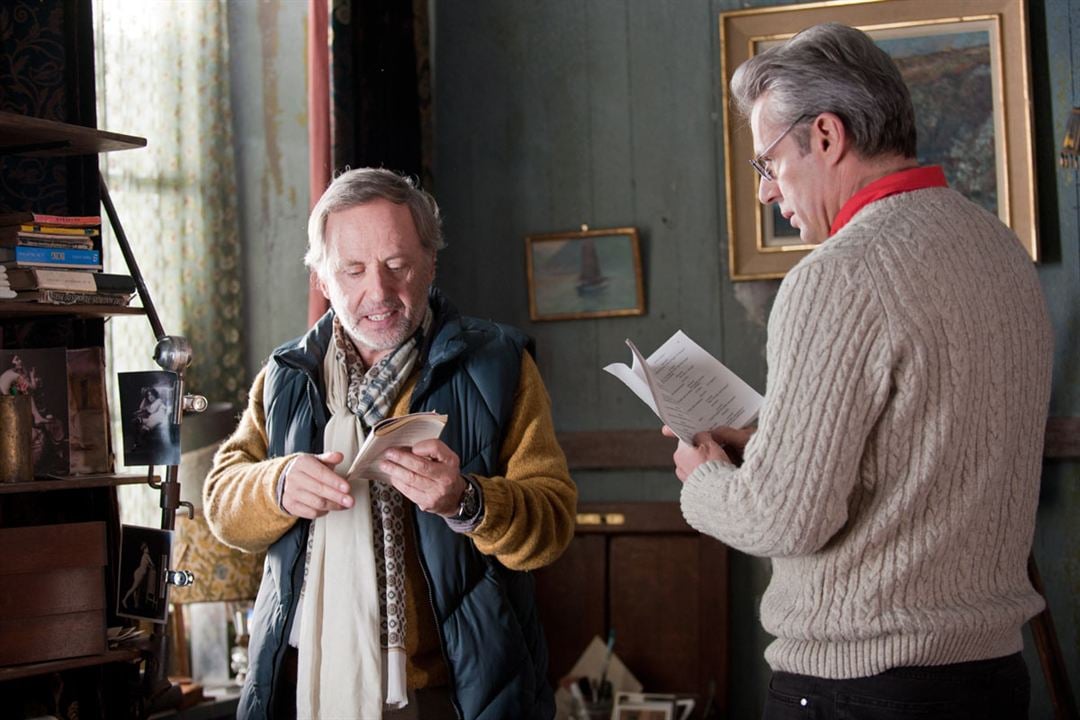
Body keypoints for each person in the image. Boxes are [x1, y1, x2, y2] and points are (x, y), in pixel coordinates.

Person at [667, 23, 1052, 720]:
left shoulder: (837, 276)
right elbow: (921, 455)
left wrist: (705, 481)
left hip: (859, 687)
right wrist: (765, 449)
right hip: (990, 680)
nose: (765, 193)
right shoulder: (997, 249)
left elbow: (783, 518)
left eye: (767, 164)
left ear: (825, 136)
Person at [204, 167, 577, 720]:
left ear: (430, 263)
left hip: (452, 695)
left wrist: (468, 502)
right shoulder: (285, 375)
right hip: (306, 687)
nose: (377, 292)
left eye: (397, 265)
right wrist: (276, 486)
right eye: (352, 270)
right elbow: (222, 504)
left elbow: (551, 528)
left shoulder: (500, 365)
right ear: (322, 280)